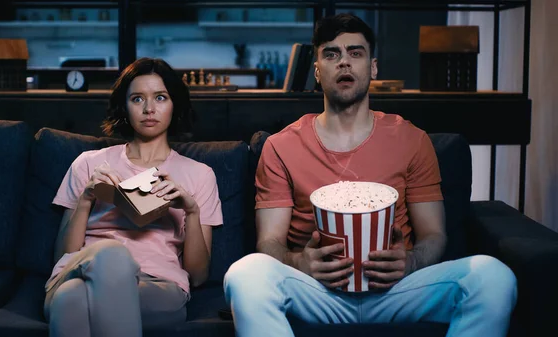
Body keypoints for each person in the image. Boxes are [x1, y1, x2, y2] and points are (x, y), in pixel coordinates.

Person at [223, 13, 517, 337]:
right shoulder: (280, 146)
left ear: (373, 68)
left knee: (494, 276)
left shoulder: (412, 140)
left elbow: (434, 234)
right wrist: (299, 263)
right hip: (314, 290)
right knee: (245, 274)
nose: (344, 62)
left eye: (355, 52)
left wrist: (412, 263)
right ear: (318, 71)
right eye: (332, 54)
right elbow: (269, 241)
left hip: (397, 290)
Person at [45, 57, 223, 337]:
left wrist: (192, 211)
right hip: (83, 270)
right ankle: (109, 259)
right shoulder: (89, 163)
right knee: (110, 256)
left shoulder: (200, 174)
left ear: (174, 105)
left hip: (158, 286)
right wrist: (87, 198)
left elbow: (198, 276)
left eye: (160, 98)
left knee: (71, 300)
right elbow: (64, 256)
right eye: (137, 99)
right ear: (124, 107)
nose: (149, 109)